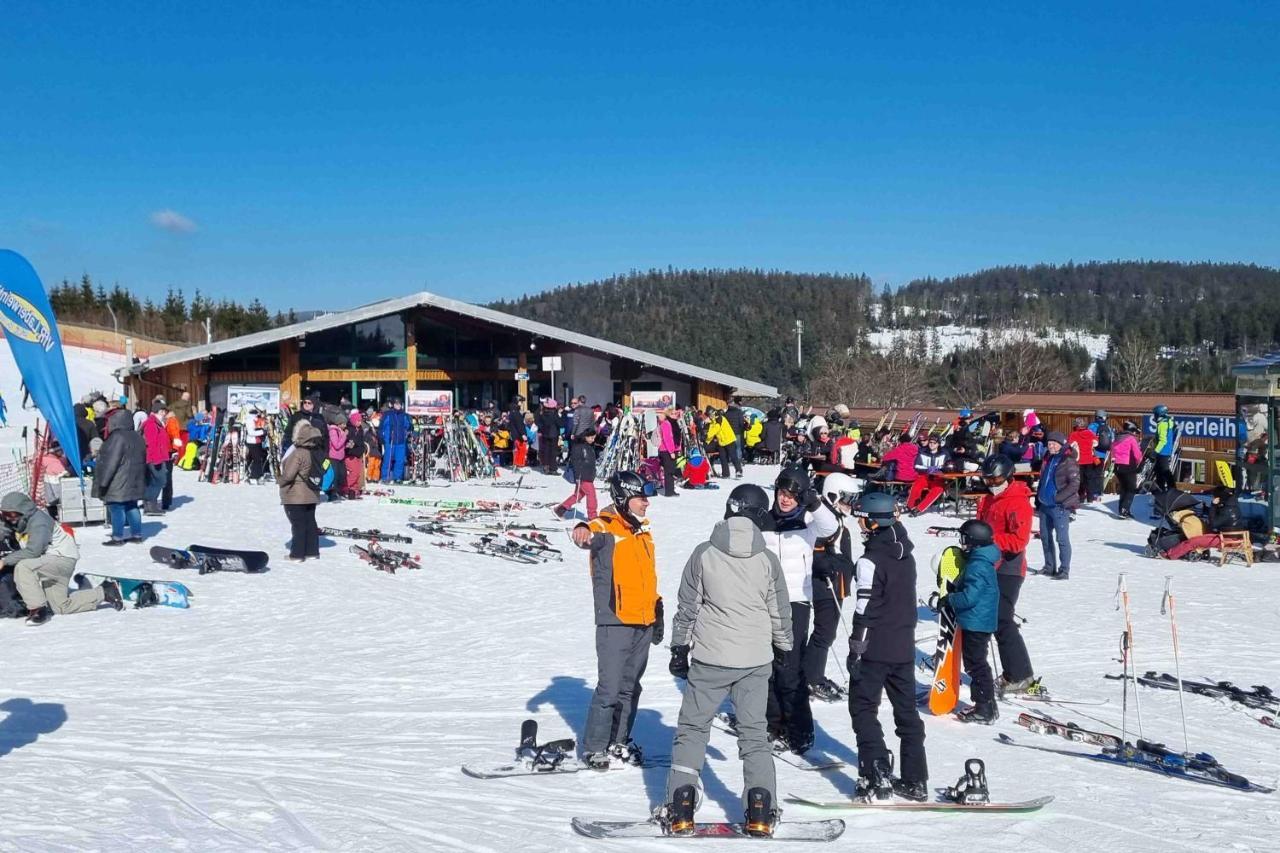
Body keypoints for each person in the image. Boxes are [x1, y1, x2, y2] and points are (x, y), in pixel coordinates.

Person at [660, 484, 792, 837]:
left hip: (710, 658)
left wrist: (678, 649)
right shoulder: (767, 559)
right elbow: (779, 611)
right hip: (754, 659)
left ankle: (681, 809)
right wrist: (783, 647)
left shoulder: (703, 553)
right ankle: (761, 812)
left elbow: (688, 606)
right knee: (753, 735)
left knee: (693, 728)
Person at [570, 471, 661, 769]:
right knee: (609, 688)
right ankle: (595, 746)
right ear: (623, 499)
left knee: (631, 687)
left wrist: (656, 609)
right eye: (641, 498)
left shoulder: (643, 532)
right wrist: (581, 529)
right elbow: (588, 532)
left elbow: (647, 578)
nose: (646, 503)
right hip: (615, 620)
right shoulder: (607, 528)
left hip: (643, 620)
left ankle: (619, 741)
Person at [846, 491, 927, 801]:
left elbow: (866, 610)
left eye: (862, 519)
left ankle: (875, 771)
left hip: (877, 648)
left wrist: (856, 649)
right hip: (903, 646)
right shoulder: (905, 554)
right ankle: (915, 779)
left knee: (863, 708)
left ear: (873, 522)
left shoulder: (869, 561)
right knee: (906, 712)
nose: (859, 524)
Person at [761, 466, 838, 754]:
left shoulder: (808, 521)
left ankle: (800, 729)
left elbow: (831, 528)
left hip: (795, 601)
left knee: (790, 669)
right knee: (765, 667)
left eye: (792, 495)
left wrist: (813, 502)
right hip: (764, 601)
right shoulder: (764, 520)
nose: (785, 500)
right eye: (782, 494)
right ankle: (773, 723)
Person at [1, 492, 122, 624]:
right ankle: (105, 591)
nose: (8, 518)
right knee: (60, 607)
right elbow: (3, 531)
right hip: (48, 562)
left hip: (62, 559)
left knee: (23, 567)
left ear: (22, 510)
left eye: (11, 514)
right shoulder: (17, 520)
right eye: (5, 514)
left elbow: (33, 552)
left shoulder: (39, 522)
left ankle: (37, 610)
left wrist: (4, 561)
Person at [975, 455, 1039, 695]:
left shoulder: (1017, 501)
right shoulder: (988, 499)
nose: (992, 483)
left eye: (997, 478)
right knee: (989, 619)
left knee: (1002, 618)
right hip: (986, 564)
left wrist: (988, 540)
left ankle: (1021, 674)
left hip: (1009, 568)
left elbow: (1019, 540)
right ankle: (1008, 672)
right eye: (988, 479)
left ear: (1008, 476)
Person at [941, 519, 1000, 723]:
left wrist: (950, 599)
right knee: (977, 662)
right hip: (979, 620)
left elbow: (969, 597)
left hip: (977, 623)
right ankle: (988, 705)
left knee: (976, 664)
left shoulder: (977, 565)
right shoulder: (981, 561)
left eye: (965, 540)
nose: (962, 545)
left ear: (974, 542)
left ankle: (984, 707)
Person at [806, 472, 858, 702]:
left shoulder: (835, 516)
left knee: (827, 633)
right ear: (833, 495)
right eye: (847, 499)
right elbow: (813, 547)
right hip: (825, 584)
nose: (850, 505)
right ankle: (811, 678)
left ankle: (813, 674)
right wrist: (823, 563)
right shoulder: (819, 517)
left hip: (837, 583)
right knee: (823, 633)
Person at [92, 409, 148, 545]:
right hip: (134, 479)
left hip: (118, 480)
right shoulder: (137, 436)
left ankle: (117, 537)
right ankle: (137, 534)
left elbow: (111, 462)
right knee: (132, 506)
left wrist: (103, 482)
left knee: (117, 507)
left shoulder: (117, 437)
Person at [1036, 432, 1080, 580]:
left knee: (1061, 538)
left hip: (1060, 506)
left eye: (1054, 443)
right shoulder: (1048, 458)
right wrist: (1038, 498)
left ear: (1062, 445)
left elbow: (1074, 484)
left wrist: (1058, 498)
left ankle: (1064, 569)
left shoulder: (1068, 460)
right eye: (1049, 444)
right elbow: (1044, 479)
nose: (1051, 446)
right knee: (1045, 537)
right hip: (1044, 505)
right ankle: (1049, 566)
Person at [280, 420, 323, 562]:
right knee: (310, 523)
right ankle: (312, 552)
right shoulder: (316, 452)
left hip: (296, 495)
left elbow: (289, 475)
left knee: (298, 525)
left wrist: (280, 480)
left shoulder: (298, 453)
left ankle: (297, 554)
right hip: (312, 492)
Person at [555, 426, 599, 520]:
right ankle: (592, 516)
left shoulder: (588, 446)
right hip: (583, 476)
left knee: (578, 495)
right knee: (591, 495)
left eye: (594, 438)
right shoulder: (579, 446)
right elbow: (575, 462)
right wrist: (578, 475)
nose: (593, 440)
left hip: (588, 475)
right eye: (591, 437)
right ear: (586, 436)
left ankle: (560, 509)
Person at [140, 401, 171, 516]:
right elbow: (151, 442)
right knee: (160, 480)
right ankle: (149, 503)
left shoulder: (157, 423)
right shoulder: (152, 424)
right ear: (158, 411)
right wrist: (155, 458)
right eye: (163, 411)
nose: (165, 413)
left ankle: (150, 505)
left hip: (158, 456)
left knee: (153, 481)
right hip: (154, 457)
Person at [906, 435, 949, 514]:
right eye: (930, 442)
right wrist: (927, 469)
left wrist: (940, 469)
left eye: (934, 443)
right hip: (924, 476)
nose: (931, 444)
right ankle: (910, 506)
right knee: (916, 486)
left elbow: (949, 465)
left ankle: (919, 509)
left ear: (938, 444)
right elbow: (916, 465)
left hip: (938, 477)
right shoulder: (922, 452)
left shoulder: (944, 453)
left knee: (938, 489)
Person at [1110, 421, 1144, 518]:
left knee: (1124, 488)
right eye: (1134, 431)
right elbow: (1137, 453)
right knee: (1131, 488)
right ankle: (1125, 509)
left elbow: (1112, 449)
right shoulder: (1131, 439)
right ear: (1131, 430)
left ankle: (1121, 510)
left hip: (1117, 466)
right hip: (1128, 466)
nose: (1135, 434)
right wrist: (1140, 463)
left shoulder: (1117, 437)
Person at [1068, 417, 1101, 503]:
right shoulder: (1090, 433)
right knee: (1089, 479)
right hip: (1089, 460)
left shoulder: (1074, 434)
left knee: (1079, 479)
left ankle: (1081, 496)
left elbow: (1070, 445)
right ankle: (1090, 497)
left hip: (1078, 460)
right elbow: (1096, 443)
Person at [379, 398, 412, 483]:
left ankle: (397, 477)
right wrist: (381, 437)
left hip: (400, 441)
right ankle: (385, 477)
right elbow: (381, 427)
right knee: (387, 460)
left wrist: (410, 429)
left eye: (399, 404)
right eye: (396, 404)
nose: (398, 406)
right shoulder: (388, 414)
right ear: (393, 405)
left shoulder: (404, 415)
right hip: (390, 441)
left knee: (400, 460)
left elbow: (408, 426)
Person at [708, 410, 742, 479]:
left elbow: (715, 429)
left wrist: (707, 436)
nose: (709, 417)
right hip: (721, 442)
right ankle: (725, 473)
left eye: (710, 415)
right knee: (723, 458)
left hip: (729, 440)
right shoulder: (712, 422)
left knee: (733, 456)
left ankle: (738, 471)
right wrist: (706, 441)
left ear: (713, 414)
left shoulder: (720, 418)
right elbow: (711, 432)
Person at [656, 408, 682, 497]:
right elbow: (668, 439)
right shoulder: (667, 424)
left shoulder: (674, 423)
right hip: (667, 451)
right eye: (672, 413)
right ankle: (669, 492)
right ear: (668, 415)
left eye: (675, 413)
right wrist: (671, 451)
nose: (675, 415)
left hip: (672, 450)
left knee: (671, 471)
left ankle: (671, 490)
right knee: (669, 472)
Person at [1152, 404, 1178, 491]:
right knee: (1159, 470)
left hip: (1162, 451)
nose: (1154, 416)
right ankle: (1162, 488)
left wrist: (1155, 452)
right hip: (1166, 450)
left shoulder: (1162, 424)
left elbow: (1163, 440)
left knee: (1164, 471)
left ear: (1159, 414)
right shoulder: (1168, 421)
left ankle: (1171, 488)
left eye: (1155, 414)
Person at [537, 399, 562, 476]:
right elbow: (560, 424)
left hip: (545, 434)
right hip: (554, 434)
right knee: (553, 452)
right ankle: (553, 468)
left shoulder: (542, 414)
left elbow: (539, 424)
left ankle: (546, 467)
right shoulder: (554, 414)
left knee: (546, 451)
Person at [722, 397, 746, 478]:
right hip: (737, 432)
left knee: (731, 449)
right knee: (737, 449)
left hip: (729, 433)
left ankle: (730, 461)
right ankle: (738, 464)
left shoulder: (726, 414)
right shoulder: (739, 412)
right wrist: (741, 429)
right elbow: (741, 422)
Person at [345, 411, 367, 498]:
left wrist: (362, 448)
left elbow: (360, 441)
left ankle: (354, 489)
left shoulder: (360, 429)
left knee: (358, 473)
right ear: (354, 420)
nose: (359, 422)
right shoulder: (349, 429)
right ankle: (347, 488)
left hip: (358, 453)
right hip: (350, 454)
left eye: (360, 421)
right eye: (358, 421)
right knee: (353, 472)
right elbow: (349, 441)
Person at [243, 407, 268, 482]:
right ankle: (253, 476)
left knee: (257, 459)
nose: (259, 414)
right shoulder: (250, 420)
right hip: (252, 442)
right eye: (259, 412)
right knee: (256, 459)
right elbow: (251, 433)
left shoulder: (256, 419)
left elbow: (260, 425)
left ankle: (258, 474)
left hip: (258, 441)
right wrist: (262, 432)